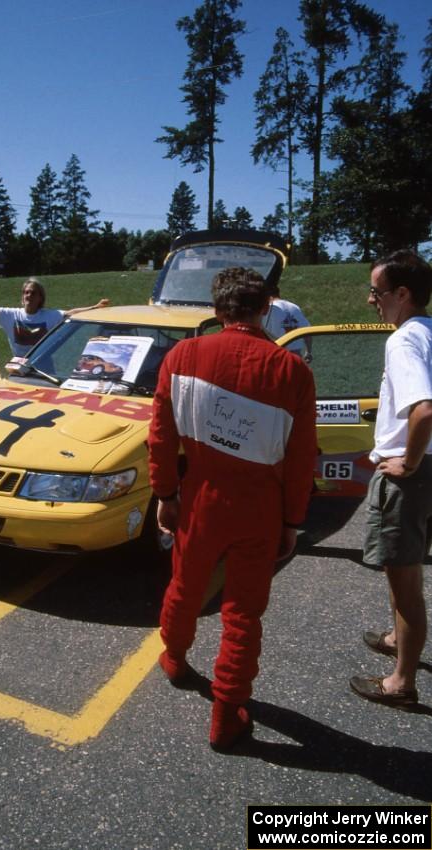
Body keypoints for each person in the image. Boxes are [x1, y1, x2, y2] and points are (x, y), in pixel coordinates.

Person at [148, 266, 317, 751]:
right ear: (266, 308)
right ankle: (227, 712)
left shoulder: (182, 355)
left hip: (200, 495)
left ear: (217, 309)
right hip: (259, 506)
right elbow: (302, 460)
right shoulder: (293, 371)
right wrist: (292, 520)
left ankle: (175, 658)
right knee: (243, 611)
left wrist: (166, 495)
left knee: (185, 584)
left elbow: (160, 437)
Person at [350, 249, 432, 709]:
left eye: (376, 292)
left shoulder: (403, 341)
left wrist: (410, 463)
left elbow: (424, 408)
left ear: (402, 294)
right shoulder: (430, 332)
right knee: (408, 566)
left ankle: (401, 681)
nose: (370, 301)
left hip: (413, 475)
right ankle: (399, 640)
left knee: (404, 577)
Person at [0, 277, 110, 357]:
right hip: (19, 366)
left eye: (33, 292)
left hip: (42, 366)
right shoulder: (11, 315)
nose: (29, 295)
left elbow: (71, 313)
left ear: (40, 298)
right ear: (22, 297)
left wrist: (95, 307)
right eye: (26, 292)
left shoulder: (50, 316)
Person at [262, 286, 312, 360]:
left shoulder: (269, 308)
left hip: (277, 355)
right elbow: (307, 332)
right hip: (296, 356)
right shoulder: (294, 307)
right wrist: (308, 352)